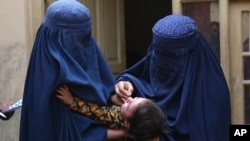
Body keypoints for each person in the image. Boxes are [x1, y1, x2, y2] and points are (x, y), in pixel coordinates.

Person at [115, 14, 231, 141]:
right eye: (157, 53)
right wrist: (124, 83)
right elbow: (138, 77)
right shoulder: (144, 78)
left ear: (188, 55)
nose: (161, 62)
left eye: (169, 57)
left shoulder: (211, 96)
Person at [19, 0, 119, 140]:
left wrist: (118, 93)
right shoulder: (53, 79)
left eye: (85, 37)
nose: (82, 44)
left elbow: (104, 94)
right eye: (77, 38)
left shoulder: (85, 55)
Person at [56, 85, 166, 141]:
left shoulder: (116, 116)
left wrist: (72, 101)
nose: (129, 99)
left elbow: (94, 111)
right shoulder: (147, 133)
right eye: (135, 98)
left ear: (127, 124)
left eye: (129, 105)